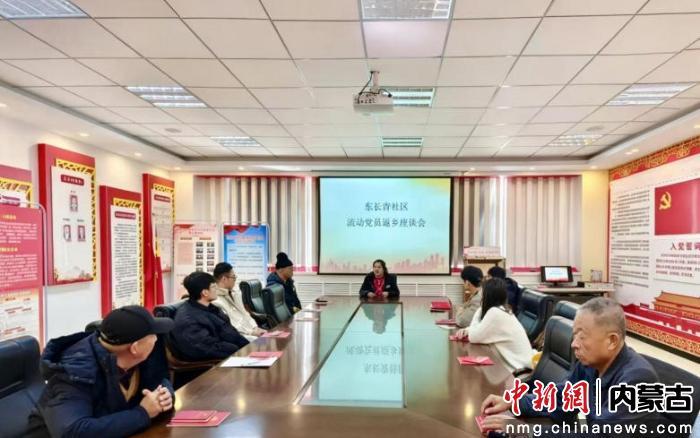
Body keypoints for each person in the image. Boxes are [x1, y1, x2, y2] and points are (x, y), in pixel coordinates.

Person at [479, 297, 660, 432]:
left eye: (582, 336)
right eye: (574, 336)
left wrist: (527, 430)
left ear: (612, 341)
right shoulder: (589, 365)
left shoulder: (638, 380)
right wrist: (514, 401)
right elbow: (561, 398)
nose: (574, 344)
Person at [26, 306, 175, 437]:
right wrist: (142, 414)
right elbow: (74, 432)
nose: (156, 338)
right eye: (153, 335)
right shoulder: (74, 372)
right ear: (135, 348)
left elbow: (158, 379)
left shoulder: (142, 356)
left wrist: (164, 395)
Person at [453, 278, 533, 372]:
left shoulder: (495, 313)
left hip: (518, 369)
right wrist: (468, 329)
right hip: (518, 363)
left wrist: (480, 308)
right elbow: (480, 328)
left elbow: (473, 337)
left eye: (482, 293)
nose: (480, 296)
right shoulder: (502, 310)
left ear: (487, 296)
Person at [169, 271, 249, 361]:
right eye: (214, 287)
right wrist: (239, 351)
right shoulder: (189, 320)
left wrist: (248, 347)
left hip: (231, 353)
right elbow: (206, 348)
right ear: (205, 292)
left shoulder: (210, 308)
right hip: (210, 364)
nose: (217, 289)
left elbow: (229, 332)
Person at [211, 262, 266, 340]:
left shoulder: (235, 293)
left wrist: (255, 327)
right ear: (224, 279)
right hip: (238, 335)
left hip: (251, 331)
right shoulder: (215, 301)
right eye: (233, 277)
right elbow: (231, 325)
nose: (235, 280)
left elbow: (245, 313)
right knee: (263, 342)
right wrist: (251, 332)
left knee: (270, 338)